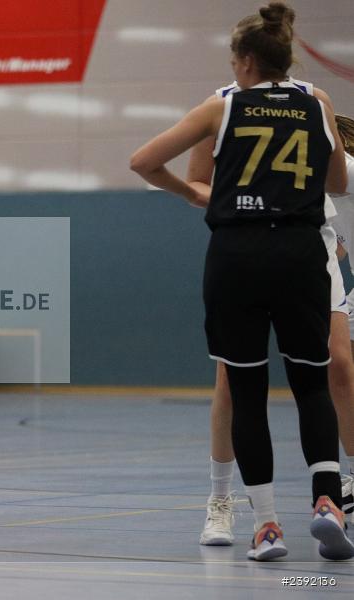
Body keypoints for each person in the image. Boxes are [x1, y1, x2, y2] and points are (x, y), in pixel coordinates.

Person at [131, 2, 353, 561]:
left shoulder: (223, 105)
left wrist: (193, 193)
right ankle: (328, 500)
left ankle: (268, 526)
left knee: (246, 391)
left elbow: (144, 161)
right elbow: (337, 181)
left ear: (247, 61)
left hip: (238, 255)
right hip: (301, 252)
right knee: (313, 383)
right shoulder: (316, 102)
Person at [188, 77, 354, 544]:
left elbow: (336, 181)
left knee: (338, 365)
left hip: (309, 248)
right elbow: (186, 174)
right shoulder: (222, 103)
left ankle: (335, 493)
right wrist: (228, 201)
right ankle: (221, 499)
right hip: (247, 247)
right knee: (232, 381)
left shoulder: (313, 99)